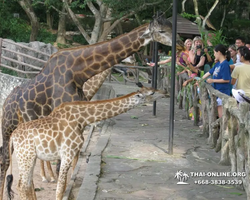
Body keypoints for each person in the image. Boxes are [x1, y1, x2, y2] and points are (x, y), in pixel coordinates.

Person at [201, 44, 231, 118]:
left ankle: (223, 129)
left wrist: (213, 80)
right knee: (219, 112)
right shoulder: (217, 64)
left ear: (219, 52)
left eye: (214, 52)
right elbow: (209, 72)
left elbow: (226, 80)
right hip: (217, 91)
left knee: (222, 115)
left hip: (222, 92)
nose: (214, 55)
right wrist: (200, 80)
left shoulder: (225, 64)